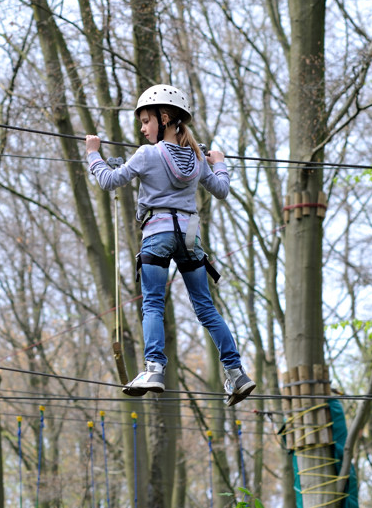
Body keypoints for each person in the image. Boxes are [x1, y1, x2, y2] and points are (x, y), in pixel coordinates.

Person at [85, 84, 256, 406]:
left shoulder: (147, 154)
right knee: (205, 307)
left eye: (146, 121)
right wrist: (219, 162)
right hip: (190, 237)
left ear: (164, 118)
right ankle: (236, 373)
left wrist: (93, 153)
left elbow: (108, 181)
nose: (142, 129)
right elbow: (221, 189)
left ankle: (154, 369)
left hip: (157, 233)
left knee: (152, 304)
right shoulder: (197, 158)